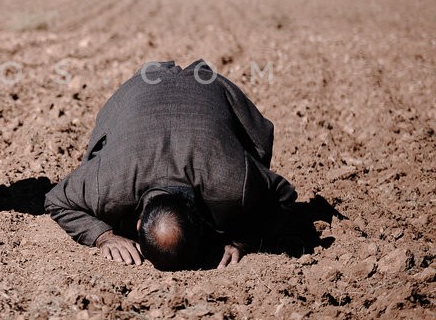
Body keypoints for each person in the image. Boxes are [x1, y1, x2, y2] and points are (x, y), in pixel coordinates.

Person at [45, 60, 297, 270]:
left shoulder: (231, 182)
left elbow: (283, 195)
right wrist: (102, 236)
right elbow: (56, 200)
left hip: (210, 87)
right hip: (139, 87)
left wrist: (244, 240)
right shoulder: (109, 182)